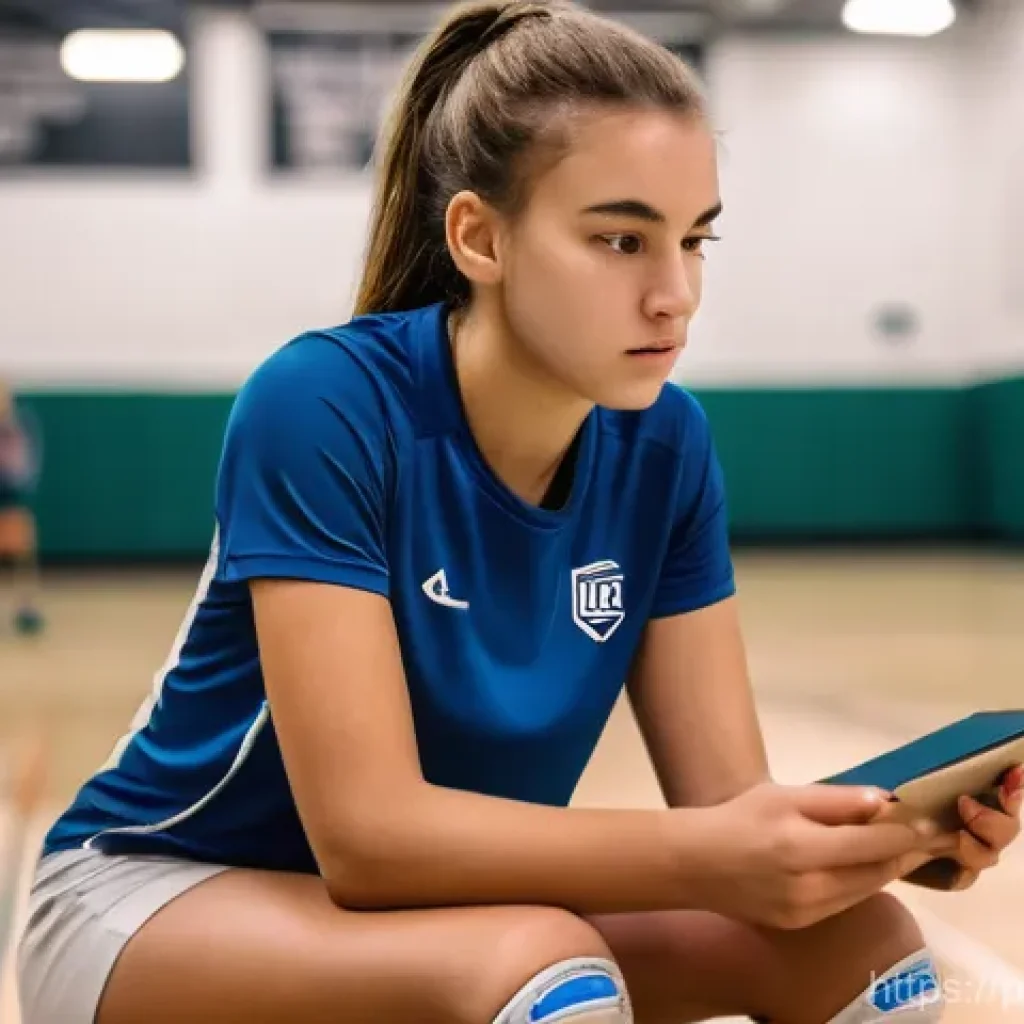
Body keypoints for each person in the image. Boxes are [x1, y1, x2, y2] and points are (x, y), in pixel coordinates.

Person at [16, 2, 1022, 1022]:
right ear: (479, 237)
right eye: (621, 239)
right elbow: (369, 841)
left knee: (862, 949)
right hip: (154, 899)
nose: (675, 293)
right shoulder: (322, 402)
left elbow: (725, 812)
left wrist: (860, 848)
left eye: (694, 240)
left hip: (435, 910)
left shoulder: (666, 445)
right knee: (538, 965)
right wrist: (726, 852)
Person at [0, 380, 44, 636]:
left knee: (23, 556)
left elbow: (22, 467)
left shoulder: (17, 427)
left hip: (10, 501)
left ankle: (26, 608)